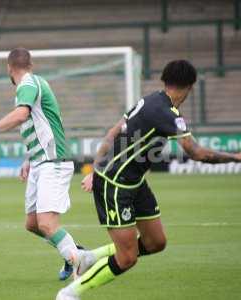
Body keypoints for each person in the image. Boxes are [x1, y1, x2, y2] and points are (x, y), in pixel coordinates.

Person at [56, 60, 241, 300]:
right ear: (189, 87)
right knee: (127, 257)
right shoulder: (168, 113)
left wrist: (97, 166)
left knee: (156, 242)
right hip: (115, 185)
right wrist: (236, 157)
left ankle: (88, 258)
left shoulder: (150, 99)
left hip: (134, 182)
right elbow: (196, 153)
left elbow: (114, 131)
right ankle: (70, 294)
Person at [0, 47, 82, 280]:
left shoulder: (27, 85)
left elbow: (20, 116)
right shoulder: (32, 84)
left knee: (47, 224)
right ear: (31, 64)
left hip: (53, 162)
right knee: (32, 224)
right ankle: (74, 252)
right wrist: (29, 158)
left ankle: (81, 264)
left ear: (9, 68)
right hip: (40, 161)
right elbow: (40, 124)